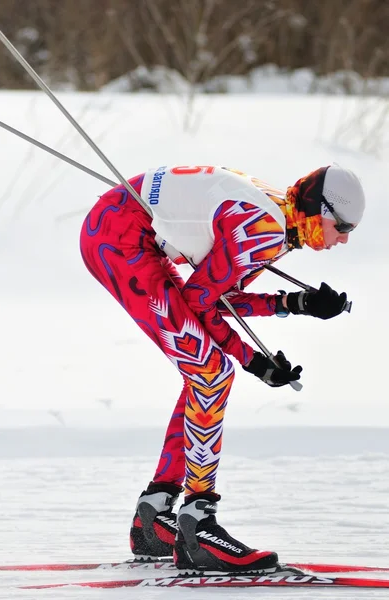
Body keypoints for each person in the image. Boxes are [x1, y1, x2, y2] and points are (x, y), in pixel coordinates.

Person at [80, 164, 365, 573]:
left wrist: (295, 304)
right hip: (119, 237)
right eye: (343, 227)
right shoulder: (265, 229)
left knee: (206, 372)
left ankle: (153, 520)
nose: (345, 239)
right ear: (321, 213)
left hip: (119, 227)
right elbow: (202, 301)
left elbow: (220, 295)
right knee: (211, 372)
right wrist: (251, 359)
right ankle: (197, 528)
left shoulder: (279, 218)